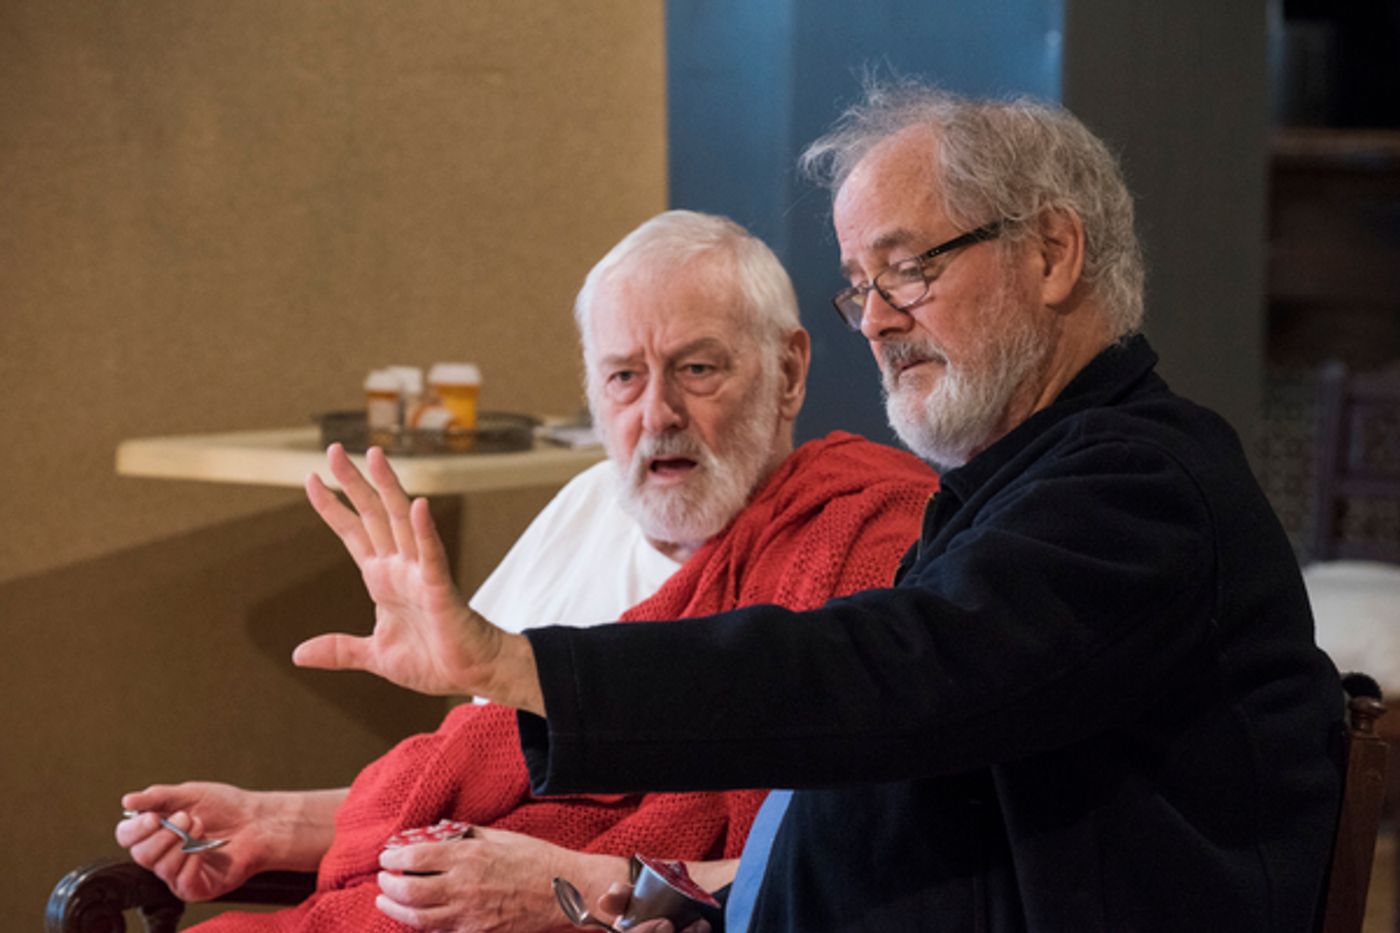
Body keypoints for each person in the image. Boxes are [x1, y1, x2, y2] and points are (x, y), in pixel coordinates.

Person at [292, 84, 1345, 933]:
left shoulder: (1138, 486)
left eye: (907, 270)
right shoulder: (1026, 480)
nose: (876, 322)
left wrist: (513, 666)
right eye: (858, 285)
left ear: (1051, 253)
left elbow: (887, 677)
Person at [115, 210, 937, 932]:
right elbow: (479, 790)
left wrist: (580, 888)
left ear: (789, 372)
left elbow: (851, 855)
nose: (656, 413)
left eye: (697, 369)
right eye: (623, 376)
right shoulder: (587, 506)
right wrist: (274, 822)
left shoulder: (872, 537)